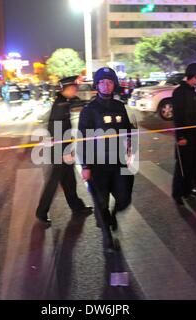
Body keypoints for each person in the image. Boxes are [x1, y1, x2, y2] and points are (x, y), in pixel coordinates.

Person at [78, 67, 135, 252]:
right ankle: (107, 239)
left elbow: (127, 130)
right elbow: (82, 140)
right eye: (102, 82)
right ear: (97, 85)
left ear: (114, 84)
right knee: (100, 202)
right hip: (98, 165)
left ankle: (113, 215)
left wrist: (129, 145)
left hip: (118, 162)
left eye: (109, 81)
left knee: (124, 198)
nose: (106, 85)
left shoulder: (119, 107)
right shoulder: (89, 110)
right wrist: (85, 166)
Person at [35, 76, 93, 226]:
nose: (76, 89)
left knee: (69, 181)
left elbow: (78, 102)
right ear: (67, 88)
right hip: (60, 150)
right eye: (74, 87)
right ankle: (41, 212)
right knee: (54, 183)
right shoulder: (60, 105)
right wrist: (64, 152)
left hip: (63, 148)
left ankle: (77, 207)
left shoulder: (64, 101)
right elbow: (55, 129)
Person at [171, 62, 196, 205]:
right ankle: (177, 194)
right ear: (195, 76)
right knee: (182, 167)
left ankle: (187, 191)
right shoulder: (179, 92)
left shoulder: (193, 91)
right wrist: (181, 137)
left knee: (191, 165)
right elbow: (178, 117)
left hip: (195, 135)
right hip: (185, 135)